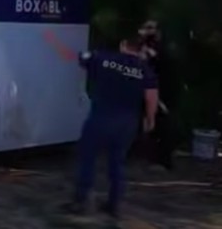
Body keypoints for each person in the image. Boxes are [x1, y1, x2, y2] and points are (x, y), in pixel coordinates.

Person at [62, 35, 159, 220]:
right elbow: (151, 97)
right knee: (117, 163)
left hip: (101, 118)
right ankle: (114, 205)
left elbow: (72, 56)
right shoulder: (145, 70)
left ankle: (82, 201)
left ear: (123, 44)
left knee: (87, 158)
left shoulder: (103, 58)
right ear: (140, 49)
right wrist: (150, 119)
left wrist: (51, 39)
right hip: (127, 123)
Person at [138, 20, 179, 170]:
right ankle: (152, 156)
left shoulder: (163, 48)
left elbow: (163, 66)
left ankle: (164, 161)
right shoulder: (146, 46)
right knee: (151, 124)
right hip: (150, 90)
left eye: (150, 28)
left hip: (163, 91)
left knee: (163, 124)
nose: (146, 31)